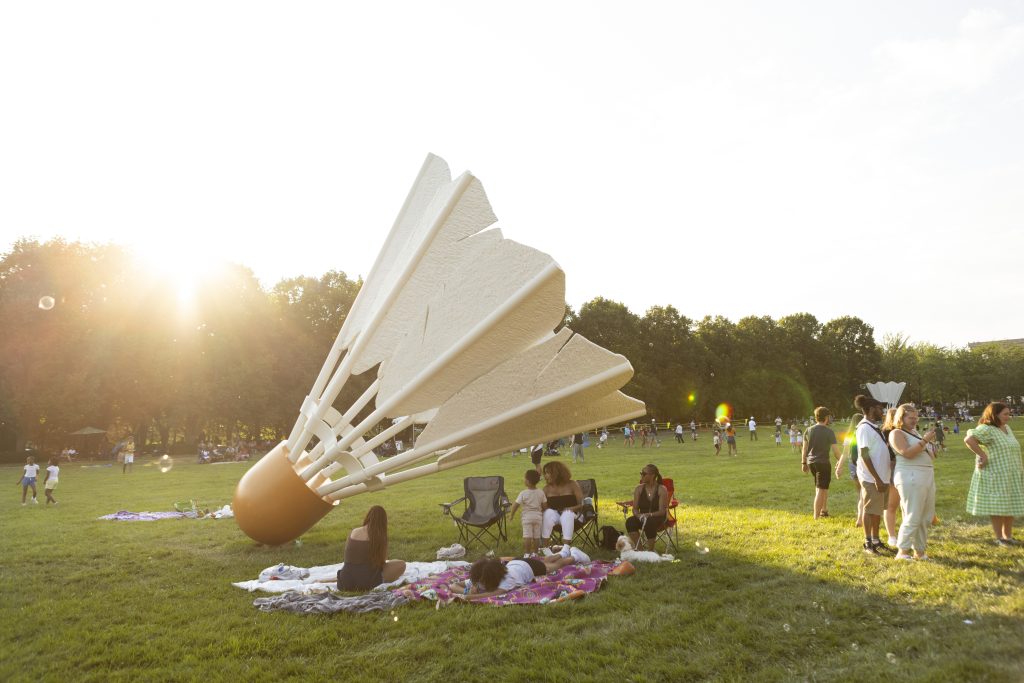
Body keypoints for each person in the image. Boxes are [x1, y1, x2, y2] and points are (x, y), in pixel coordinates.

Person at [964, 402, 1024, 547]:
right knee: (998, 506)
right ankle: (1000, 538)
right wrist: (982, 455)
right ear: (994, 415)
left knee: (1010, 505)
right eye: (1005, 414)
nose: (1008, 417)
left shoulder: (1006, 428)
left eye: (1008, 414)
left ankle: (1007, 536)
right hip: (996, 473)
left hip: (1011, 473)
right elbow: (969, 440)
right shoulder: (987, 429)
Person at [888, 404, 938, 560]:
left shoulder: (915, 432)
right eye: (910, 418)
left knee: (926, 516)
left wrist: (932, 446)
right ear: (901, 418)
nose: (914, 421)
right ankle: (902, 551)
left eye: (916, 418)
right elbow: (906, 453)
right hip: (910, 475)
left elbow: (930, 455)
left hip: (926, 474)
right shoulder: (896, 433)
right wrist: (924, 441)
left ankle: (920, 551)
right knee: (913, 514)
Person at [854, 395, 894, 554]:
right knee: (870, 510)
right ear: (871, 410)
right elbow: (864, 455)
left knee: (877, 510)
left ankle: (876, 540)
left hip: (881, 477)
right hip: (872, 478)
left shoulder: (873, 426)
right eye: (879, 408)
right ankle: (867, 543)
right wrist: (877, 478)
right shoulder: (864, 427)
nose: (882, 411)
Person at [337, 506, 406, 591]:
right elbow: (380, 562)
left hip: (345, 581)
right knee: (401, 564)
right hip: (367, 582)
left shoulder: (354, 531)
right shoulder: (379, 535)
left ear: (368, 516)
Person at [459, 554, 578, 601]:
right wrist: (466, 590)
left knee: (555, 566)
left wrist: (469, 596)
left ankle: (573, 556)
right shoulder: (480, 578)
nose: (479, 584)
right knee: (544, 561)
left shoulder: (507, 581)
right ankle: (562, 552)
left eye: (480, 582)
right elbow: (454, 585)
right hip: (516, 563)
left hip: (530, 567)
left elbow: (494, 594)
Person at [801, 407, 842, 519]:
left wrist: (803, 463)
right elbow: (835, 451)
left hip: (811, 463)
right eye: (829, 417)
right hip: (823, 463)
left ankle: (824, 510)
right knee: (820, 489)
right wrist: (841, 461)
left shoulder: (808, 430)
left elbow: (804, 449)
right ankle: (816, 517)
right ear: (826, 417)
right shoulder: (828, 431)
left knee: (822, 486)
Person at [625, 464, 669, 550]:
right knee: (630, 522)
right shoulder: (638, 489)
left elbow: (662, 511)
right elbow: (635, 509)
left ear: (652, 476)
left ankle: (650, 551)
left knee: (649, 521)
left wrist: (649, 515)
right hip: (642, 517)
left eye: (644, 474)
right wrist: (639, 516)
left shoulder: (661, 489)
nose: (641, 475)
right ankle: (640, 551)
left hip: (658, 517)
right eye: (641, 473)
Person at [540, 461, 584, 548]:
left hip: (574, 515)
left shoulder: (572, 484)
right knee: (548, 512)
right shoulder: (546, 489)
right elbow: (543, 507)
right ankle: (545, 547)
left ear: (556, 473)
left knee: (567, 513)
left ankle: (566, 548)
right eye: (545, 473)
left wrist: (572, 508)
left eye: (548, 473)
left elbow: (582, 504)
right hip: (555, 516)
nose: (545, 476)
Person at [834, 412, 865, 527]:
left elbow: (845, 453)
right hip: (864, 464)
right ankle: (861, 517)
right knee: (864, 493)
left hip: (853, 465)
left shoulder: (849, 435)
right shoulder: (864, 433)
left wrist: (839, 466)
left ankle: (859, 517)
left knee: (859, 493)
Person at [509, 470, 546, 555]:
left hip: (527, 517)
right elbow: (545, 505)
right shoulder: (541, 492)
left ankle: (527, 553)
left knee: (527, 536)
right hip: (538, 517)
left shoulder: (523, 493)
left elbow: (515, 505)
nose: (524, 480)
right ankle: (535, 553)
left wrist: (512, 515)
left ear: (528, 482)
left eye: (525, 478)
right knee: (536, 536)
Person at [880, 407, 901, 543]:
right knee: (892, 505)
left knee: (897, 505)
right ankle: (892, 536)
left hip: (900, 467)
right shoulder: (886, 432)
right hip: (893, 467)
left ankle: (895, 536)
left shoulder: (904, 432)